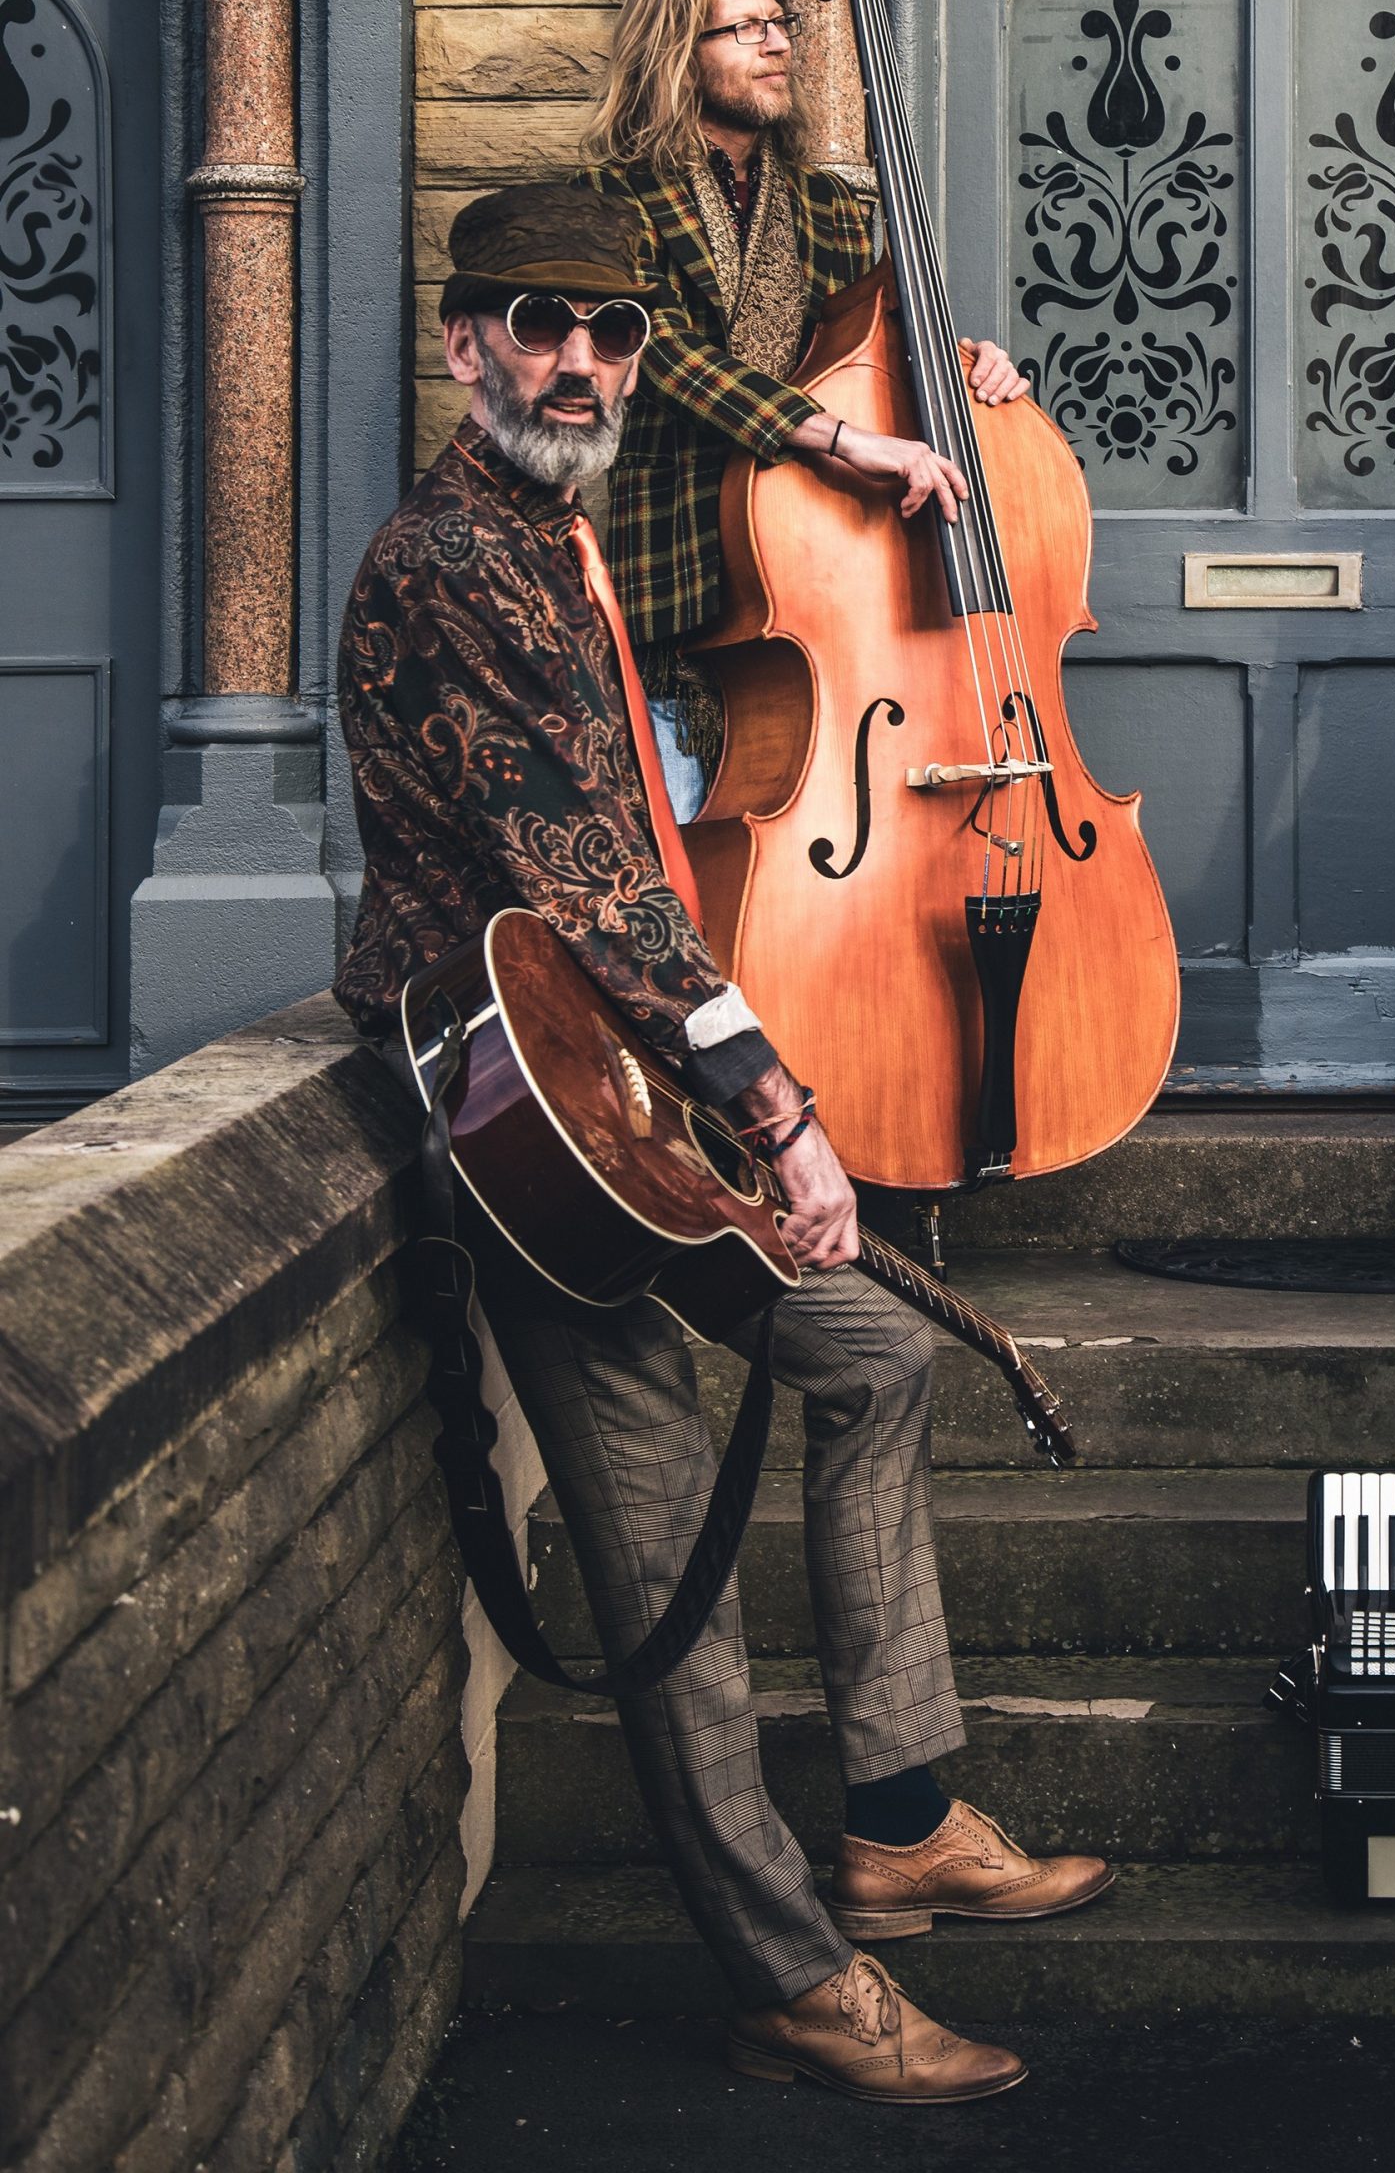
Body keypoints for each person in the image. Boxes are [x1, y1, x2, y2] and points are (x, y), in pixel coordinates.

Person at [337, 186, 1108, 2107]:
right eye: (537, 327)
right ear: (465, 347)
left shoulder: (556, 536)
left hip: (617, 1092)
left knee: (867, 1351)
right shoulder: (448, 562)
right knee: (663, 1529)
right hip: (524, 1126)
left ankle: (904, 1810)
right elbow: (579, 874)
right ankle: (791, 1971)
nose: (580, 362)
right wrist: (778, 1105)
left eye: (604, 334)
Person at [580, 0, 1031, 813]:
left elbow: (857, 348)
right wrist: (846, 437)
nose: (779, 44)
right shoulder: (613, 195)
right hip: (688, 567)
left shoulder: (826, 204)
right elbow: (663, 354)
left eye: (778, 23)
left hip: (827, 572)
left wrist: (964, 360)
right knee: (685, 850)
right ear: (680, 53)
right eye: (744, 29)